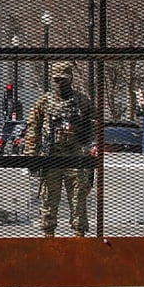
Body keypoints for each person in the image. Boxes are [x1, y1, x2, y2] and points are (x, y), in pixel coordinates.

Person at [23, 62, 96, 237]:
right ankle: (49, 236)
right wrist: (31, 155)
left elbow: (93, 123)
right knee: (48, 200)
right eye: (56, 80)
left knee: (78, 199)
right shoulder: (44, 101)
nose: (59, 83)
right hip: (51, 157)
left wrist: (84, 133)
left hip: (75, 156)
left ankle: (79, 236)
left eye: (63, 80)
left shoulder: (82, 101)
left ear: (70, 79)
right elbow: (33, 128)